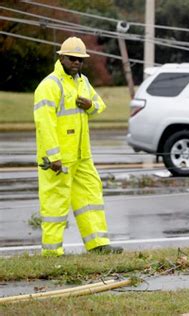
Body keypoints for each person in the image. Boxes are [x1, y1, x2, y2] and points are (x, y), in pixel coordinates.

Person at [33, 37, 123, 256]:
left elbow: (99, 105)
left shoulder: (82, 81)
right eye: (72, 58)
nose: (76, 63)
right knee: (55, 204)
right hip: (59, 160)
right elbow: (44, 123)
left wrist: (90, 105)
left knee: (91, 197)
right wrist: (53, 156)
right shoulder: (49, 86)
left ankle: (98, 244)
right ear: (61, 58)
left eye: (80, 60)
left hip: (82, 156)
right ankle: (52, 253)